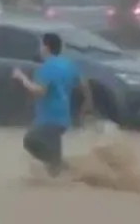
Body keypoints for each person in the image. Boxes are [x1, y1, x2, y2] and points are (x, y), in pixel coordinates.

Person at [12, 33, 93, 177]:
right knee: (53, 168)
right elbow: (84, 84)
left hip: (49, 120)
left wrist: (22, 78)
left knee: (30, 141)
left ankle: (68, 169)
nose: (40, 49)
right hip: (63, 119)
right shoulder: (68, 64)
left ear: (46, 47)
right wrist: (88, 102)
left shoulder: (47, 67)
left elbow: (39, 91)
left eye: (41, 46)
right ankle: (73, 176)